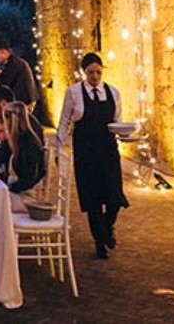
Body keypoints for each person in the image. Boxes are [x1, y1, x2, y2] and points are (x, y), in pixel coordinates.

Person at [56, 52, 128, 260]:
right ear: (84, 73)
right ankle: (99, 243)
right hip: (85, 153)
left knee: (115, 196)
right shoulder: (74, 93)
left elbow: (117, 121)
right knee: (93, 200)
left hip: (108, 150)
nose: (94, 76)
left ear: (102, 71)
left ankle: (108, 227)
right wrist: (60, 148)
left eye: (98, 72)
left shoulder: (113, 93)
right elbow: (64, 121)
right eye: (90, 72)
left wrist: (126, 135)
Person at [2, 101, 46, 207]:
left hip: (26, 196)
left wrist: (9, 187)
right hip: (17, 191)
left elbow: (29, 179)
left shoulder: (28, 143)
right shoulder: (17, 140)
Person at [0, 40, 38, 114]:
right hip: (26, 98)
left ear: (4, 52)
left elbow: (5, 81)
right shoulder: (15, 62)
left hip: (24, 100)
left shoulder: (13, 63)